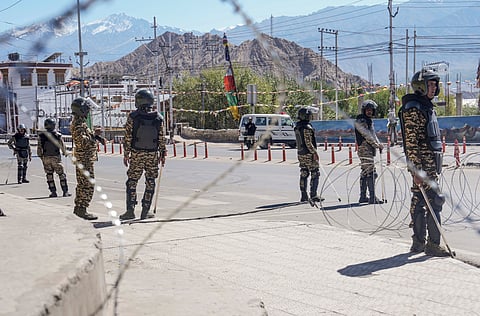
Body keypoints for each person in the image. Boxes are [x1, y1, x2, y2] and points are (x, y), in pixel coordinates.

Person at [398, 69, 449, 257]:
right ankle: (432, 245)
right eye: (430, 84)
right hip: (422, 166)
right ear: (420, 86)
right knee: (435, 200)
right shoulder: (414, 108)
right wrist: (416, 170)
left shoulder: (425, 106)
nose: (434, 88)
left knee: (420, 201)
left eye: (435, 84)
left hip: (429, 164)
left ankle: (418, 244)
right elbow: (411, 143)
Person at [120, 89, 166, 220]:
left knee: (132, 181)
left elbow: (127, 137)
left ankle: (130, 210)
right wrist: (162, 154)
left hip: (136, 154)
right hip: (152, 155)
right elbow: (161, 138)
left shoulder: (133, 117)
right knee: (150, 181)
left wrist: (126, 154)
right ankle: (145, 211)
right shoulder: (158, 118)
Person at [70, 97, 106, 220]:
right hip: (83, 159)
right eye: (85, 109)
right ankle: (82, 209)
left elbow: (88, 138)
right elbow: (82, 142)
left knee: (83, 184)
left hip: (85, 159)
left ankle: (79, 208)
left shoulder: (81, 123)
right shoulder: (78, 125)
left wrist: (97, 138)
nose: (87, 111)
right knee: (87, 185)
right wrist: (94, 136)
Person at [354, 100, 384, 204]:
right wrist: (376, 145)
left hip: (368, 149)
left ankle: (363, 196)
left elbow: (373, 134)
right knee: (371, 173)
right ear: (364, 110)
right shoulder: (361, 120)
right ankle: (372, 197)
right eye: (367, 110)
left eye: (371, 110)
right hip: (364, 149)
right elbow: (367, 135)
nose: (369, 112)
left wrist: (379, 144)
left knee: (365, 172)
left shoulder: (368, 120)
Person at [294, 107, 322, 203]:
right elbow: (308, 142)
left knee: (304, 173)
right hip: (308, 154)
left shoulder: (297, 126)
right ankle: (313, 195)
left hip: (300, 153)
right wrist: (314, 152)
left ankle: (304, 195)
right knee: (315, 173)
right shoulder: (307, 127)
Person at [37, 118, 71, 198]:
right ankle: (65, 192)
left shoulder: (41, 136)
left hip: (46, 158)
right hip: (56, 158)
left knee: (49, 175)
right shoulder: (58, 135)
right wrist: (65, 153)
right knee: (61, 175)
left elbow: (39, 148)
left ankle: (53, 192)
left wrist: (41, 157)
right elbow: (62, 146)